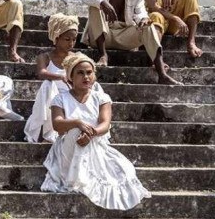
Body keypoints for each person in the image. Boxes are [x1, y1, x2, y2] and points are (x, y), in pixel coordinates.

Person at [40, 52, 151, 210]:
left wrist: (90, 134)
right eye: (80, 72)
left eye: (89, 72)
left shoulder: (101, 98)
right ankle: (72, 177)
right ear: (71, 76)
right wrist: (77, 122)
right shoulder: (60, 99)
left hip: (96, 144)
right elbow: (57, 125)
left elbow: (105, 124)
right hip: (68, 147)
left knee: (122, 172)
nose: (86, 76)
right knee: (74, 130)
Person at [81, 0, 180, 85]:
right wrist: (102, 1)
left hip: (125, 36)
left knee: (149, 25)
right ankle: (103, 55)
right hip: (101, 35)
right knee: (94, 7)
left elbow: (140, 12)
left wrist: (144, 20)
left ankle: (162, 74)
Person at [23, 14, 105, 143]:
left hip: (75, 94)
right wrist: (61, 77)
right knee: (47, 85)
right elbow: (41, 73)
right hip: (54, 97)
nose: (71, 43)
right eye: (67, 39)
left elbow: (90, 74)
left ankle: (95, 129)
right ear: (56, 38)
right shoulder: (45, 57)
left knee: (95, 87)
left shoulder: (78, 56)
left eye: (74, 39)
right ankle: (47, 132)